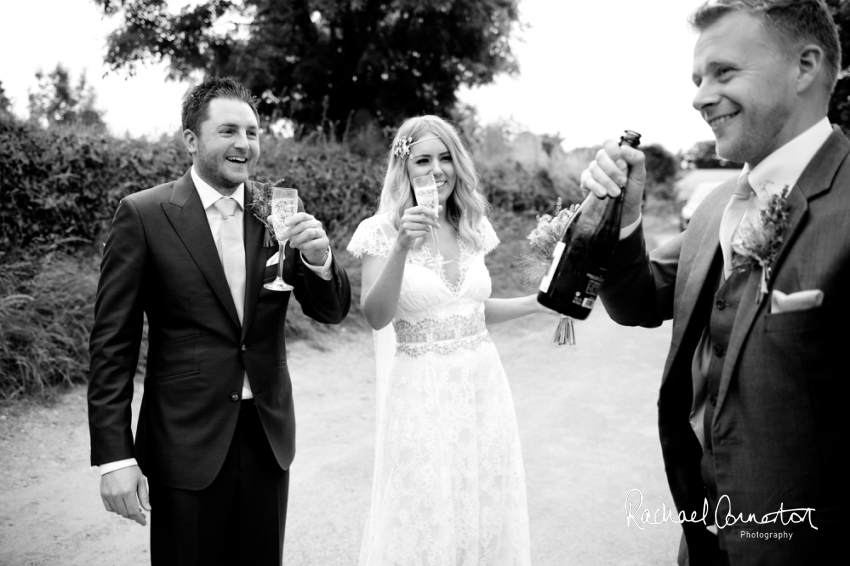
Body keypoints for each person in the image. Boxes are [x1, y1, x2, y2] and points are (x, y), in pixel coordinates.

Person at [581, 1, 847, 564]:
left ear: (804, 66)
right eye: (698, 78)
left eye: (724, 72)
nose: (700, 95)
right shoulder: (717, 205)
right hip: (703, 536)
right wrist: (622, 216)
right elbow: (638, 300)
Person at [87, 77, 351, 565]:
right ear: (191, 140)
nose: (244, 144)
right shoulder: (144, 215)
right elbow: (112, 344)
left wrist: (320, 259)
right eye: (228, 130)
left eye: (252, 132)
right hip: (185, 442)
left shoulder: (277, 209)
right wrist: (115, 458)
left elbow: (331, 311)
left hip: (266, 438)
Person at [347, 115, 551, 565]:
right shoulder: (380, 231)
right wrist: (401, 245)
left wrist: (538, 303)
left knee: (482, 499)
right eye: (423, 159)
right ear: (404, 168)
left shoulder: (471, 226)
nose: (437, 170)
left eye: (446, 158)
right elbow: (375, 316)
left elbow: (473, 312)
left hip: (483, 386)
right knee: (425, 506)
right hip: (422, 391)